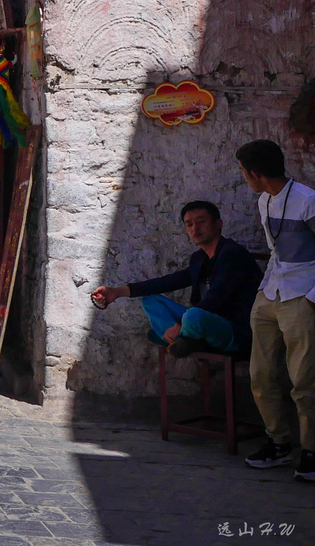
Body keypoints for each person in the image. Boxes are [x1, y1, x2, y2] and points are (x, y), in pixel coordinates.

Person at [236, 139, 315, 478]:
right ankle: (279, 443)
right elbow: (274, 250)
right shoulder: (263, 201)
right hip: (271, 293)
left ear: (255, 173)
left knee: (304, 379)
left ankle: (311, 451)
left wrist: (313, 296)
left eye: (244, 173)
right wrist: (262, 291)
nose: (244, 178)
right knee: (261, 375)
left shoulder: (308, 200)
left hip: (303, 295)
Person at [90, 201, 261, 356]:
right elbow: (168, 282)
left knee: (193, 317)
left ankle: (185, 339)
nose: (195, 228)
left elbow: (217, 297)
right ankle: (186, 341)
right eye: (189, 224)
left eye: (201, 222)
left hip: (233, 330)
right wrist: (117, 292)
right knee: (151, 301)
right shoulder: (199, 259)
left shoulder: (231, 253)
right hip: (202, 323)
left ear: (218, 224)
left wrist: (178, 325)